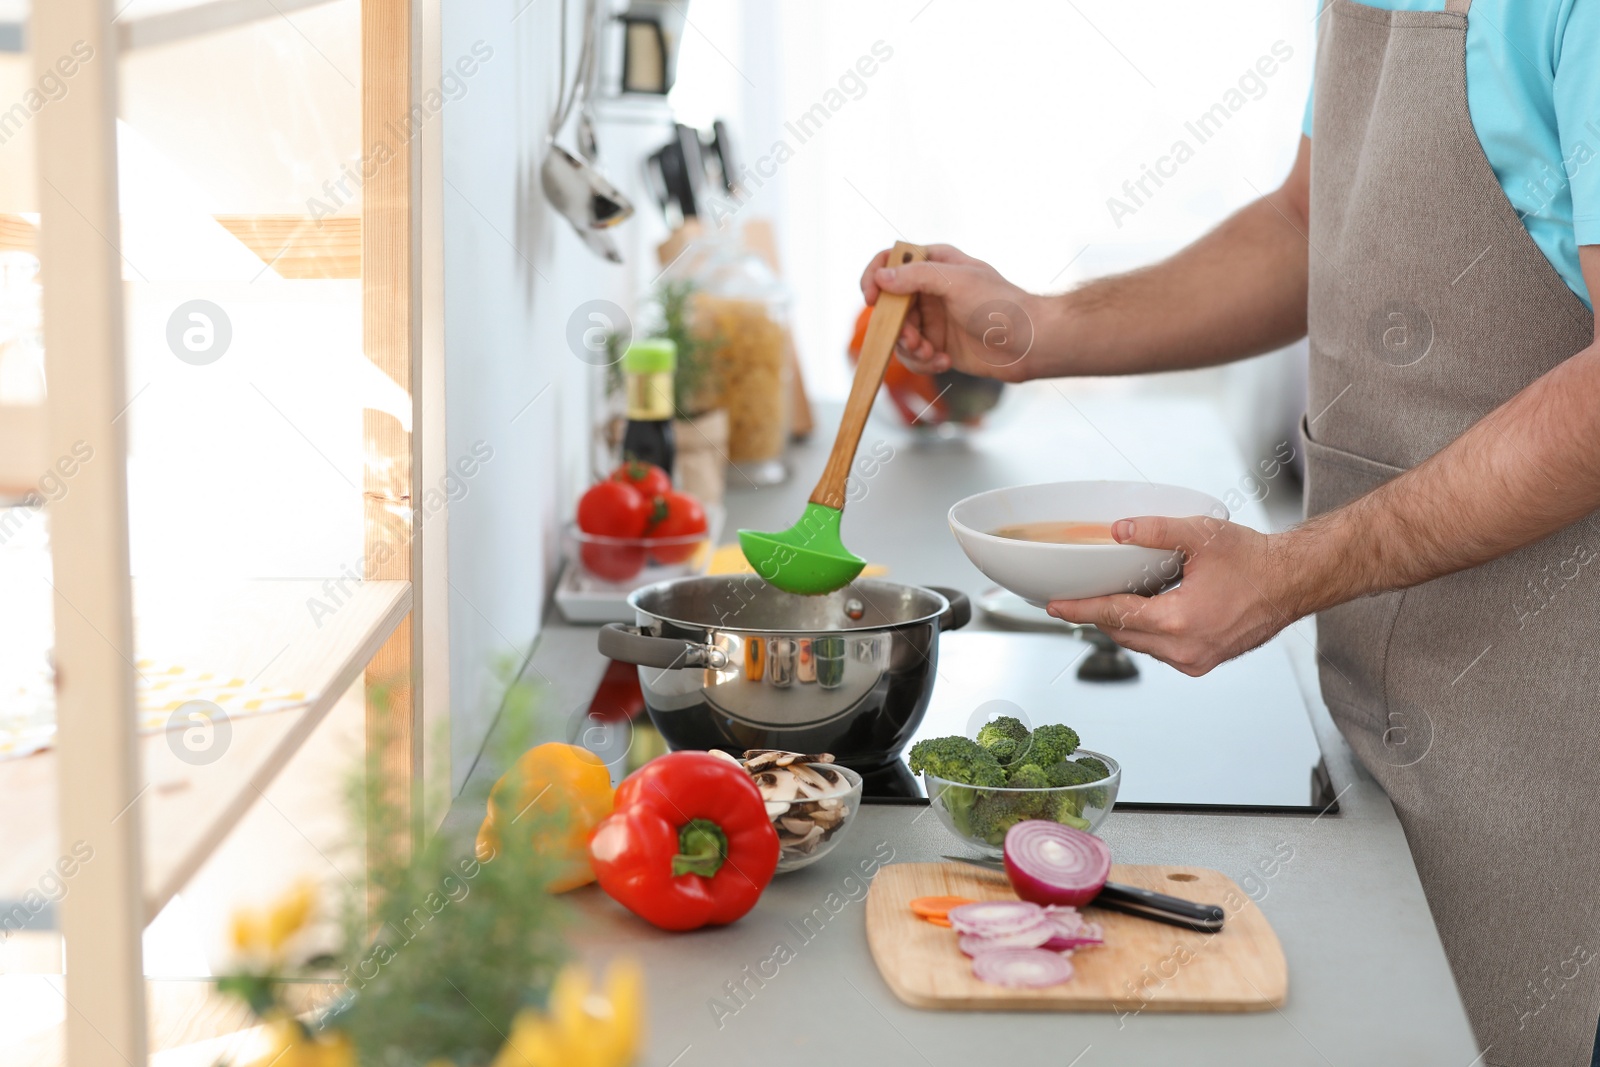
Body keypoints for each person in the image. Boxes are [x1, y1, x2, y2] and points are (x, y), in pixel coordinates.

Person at [861, 1, 1600, 1063]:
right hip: (1380, 680)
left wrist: (1293, 568)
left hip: (1546, 717)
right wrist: (1038, 327)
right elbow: (1307, 219)